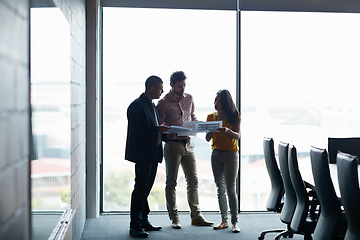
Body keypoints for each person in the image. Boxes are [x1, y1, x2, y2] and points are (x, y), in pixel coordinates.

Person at [156, 71, 213, 229]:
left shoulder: (189, 98)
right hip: (173, 145)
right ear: (172, 85)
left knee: (193, 181)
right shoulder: (163, 103)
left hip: (189, 143)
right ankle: (174, 218)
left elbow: (192, 116)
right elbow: (160, 126)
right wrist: (168, 130)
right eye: (179, 86)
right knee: (171, 182)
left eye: (184, 86)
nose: (182, 89)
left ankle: (196, 216)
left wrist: (198, 125)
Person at [125, 75, 170, 238]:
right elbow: (137, 132)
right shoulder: (137, 106)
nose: (162, 91)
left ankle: (143, 220)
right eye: (160, 88)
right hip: (143, 154)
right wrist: (157, 130)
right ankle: (134, 225)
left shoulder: (151, 105)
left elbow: (155, 129)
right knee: (140, 189)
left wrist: (166, 136)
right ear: (152, 88)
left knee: (146, 189)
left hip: (153, 153)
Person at [205, 90, 241, 233]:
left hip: (231, 154)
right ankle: (224, 220)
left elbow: (237, 136)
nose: (216, 103)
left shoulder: (233, 116)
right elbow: (208, 139)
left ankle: (234, 222)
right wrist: (210, 129)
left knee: (231, 188)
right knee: (220, 188)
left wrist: (226, 130)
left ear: (225, 102)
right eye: (215, 100)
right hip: (216, 154)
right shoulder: (210, 117)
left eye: (219, 101)